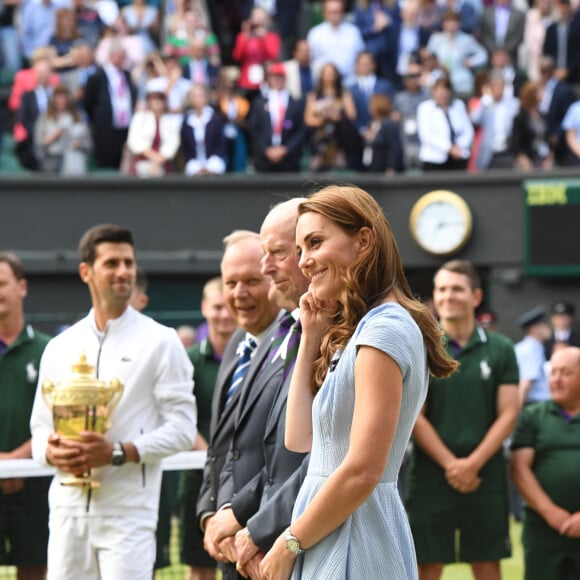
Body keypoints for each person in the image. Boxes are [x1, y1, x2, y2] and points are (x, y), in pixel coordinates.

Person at [259, 185, 458, 579]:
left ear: (364, 241)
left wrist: (288, 543)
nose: (304, 262)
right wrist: (311, 336)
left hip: (357, 534)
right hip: (329, 528)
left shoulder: (384, 329)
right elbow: (300, 440)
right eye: (299, 250)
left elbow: (363, 470)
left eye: (315, 243)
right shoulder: (359, 331)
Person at [29, 223, 197, 580]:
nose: (124, 272)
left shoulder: (161, 341)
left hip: (129, 514)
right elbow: (40, 430)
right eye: (112, 263)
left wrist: (119, 451)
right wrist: (51, 452)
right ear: (86, 272)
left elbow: (183, 430)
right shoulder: (59, 347)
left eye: (129, 263)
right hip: (66, 511)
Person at [214, 198, 312, 579]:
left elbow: (321, 460)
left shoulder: (331, 335)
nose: (266, 267)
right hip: (249, 541)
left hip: (289, 538)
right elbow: (228, 446)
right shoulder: (280, 335)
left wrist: (253, 525)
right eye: (231, 283)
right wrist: (220, 513)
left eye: (275, 254)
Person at [407, 259, 520, 580]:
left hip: (485, 475)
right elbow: (415, 415)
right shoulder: (422, 347)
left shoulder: (501, 349)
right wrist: (450, 465)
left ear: (476, 296)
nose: (448, 296)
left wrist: (472, 464)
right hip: (430, 475)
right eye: (441, 289)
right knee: (426, 566)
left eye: (457, 288)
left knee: (486, 564)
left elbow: (509, 412)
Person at [196, 230, 281, 580]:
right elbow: (221, 447)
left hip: (271, 548)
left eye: (251, 281)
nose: (239, 294)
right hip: (228, 547)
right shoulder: (236, 344)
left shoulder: (300, 347)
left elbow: (292, 459)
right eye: (230, 282)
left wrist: (244, 520)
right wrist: (209, 515)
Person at [178, 276, 237, 580]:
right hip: (197, 481)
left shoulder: (252, 357)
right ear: (204, 308)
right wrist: (213, 460)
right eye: (217, 307)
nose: (224, 314)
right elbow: (181, 420)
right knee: (200, 567)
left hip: (242, 483)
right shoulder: (187, 361)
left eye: (228, 307)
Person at [0, 252, 52, 580]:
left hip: (33, 485)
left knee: (34, 570)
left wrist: (16, 462)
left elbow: (60, 420)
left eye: (2, 283)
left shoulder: (50, 350)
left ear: (21, 287)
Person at [511, 346, 580, 580]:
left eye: (566, 373)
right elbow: (520, 469)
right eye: (553, 373)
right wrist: (552, 513)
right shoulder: (532, 416)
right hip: (543, 532)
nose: (556, 380)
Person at [84, 40, 137, 169]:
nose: (122, 59)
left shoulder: (127, 74)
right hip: (106, 129)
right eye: (119, 56)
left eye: (123, 56)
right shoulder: (97, 77)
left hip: (125, 128)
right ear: (111, 55)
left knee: (123, 164)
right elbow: (88, 102)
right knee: (105, 164)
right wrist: (100, 117)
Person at [249, 61, 306, 173]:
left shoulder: (295, 103)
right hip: (264, 160)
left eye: (280, 76)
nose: (277, 80)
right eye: (274, 76)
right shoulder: (259, 102)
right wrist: (266, 149)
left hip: (289, 160)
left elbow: (300, 130)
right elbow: (254, 129)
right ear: (269, 78)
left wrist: (286, 149)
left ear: (285, 78)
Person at [304, 62, 361, 172]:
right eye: (326, 74)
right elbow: (308, 119)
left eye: (331, 74)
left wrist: (336, 116)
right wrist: (324, 118)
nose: (329, 77)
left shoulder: (343, 93)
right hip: (319, 136)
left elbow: (352, 115)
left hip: (339, 136)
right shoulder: (314, 94)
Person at [426, 10, 488, 98]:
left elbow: (483, 55)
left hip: (462, 82)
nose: (451, 25)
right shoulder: (436, 39)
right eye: (448, 22)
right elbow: (428, 58)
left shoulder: (466, 39)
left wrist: (472, 62)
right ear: (444, 24)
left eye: (454, 22)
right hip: (442, 83)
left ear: (459, 24)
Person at [417, 76, 474, 170]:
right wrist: (449, 148)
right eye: (438, 91)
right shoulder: (425, 108)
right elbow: (427, 135)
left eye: (445, 90)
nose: (442, 94)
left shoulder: (458, 105)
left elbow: (468, 131)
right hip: (434, 160)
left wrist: (459, 147)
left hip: (458, 157)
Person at [33, 84, 92, 175]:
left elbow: (88, 143)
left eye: (64, 98)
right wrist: (55, 136)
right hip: (51, 161)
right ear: (53, 99)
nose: (61, 101)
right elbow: (39, 143)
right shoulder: (44, 118)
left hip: (75, 160)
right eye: (58, 98)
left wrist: (78, 144)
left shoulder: (79, 117)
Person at [126, 85, 181, 177]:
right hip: (142, 160)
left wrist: (158, 160)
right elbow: (134, 141)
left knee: (158, 172)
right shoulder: (140, 118)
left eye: (160, 100)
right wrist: (153, 157)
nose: (157, 103)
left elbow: (173, 143)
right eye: (154, 99)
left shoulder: (169, 121)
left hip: (163, 162)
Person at [470, 70, 519, 170]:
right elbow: (474, 119)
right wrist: (484, 100)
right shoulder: (486, 104)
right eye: (495, 85)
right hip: (489, 153)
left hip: (507, 152)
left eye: (500, 86)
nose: (497, 89)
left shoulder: (513, 104)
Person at [307, 0, 365, 84]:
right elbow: (311, 60)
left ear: (343, 12)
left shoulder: (353, 31)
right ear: (324, 13)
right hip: (325, 85)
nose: (334, 15)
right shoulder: (315, 33)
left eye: (337, 11)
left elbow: (361, 56)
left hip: (351, 82)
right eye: (331, 12)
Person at [180, 83, 227, 176]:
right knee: (191, 168)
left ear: (206, 97)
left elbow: (221, 144)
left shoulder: (215, 118)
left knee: (216, 166)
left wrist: (208, 165)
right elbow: (186, 148)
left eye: (200, 95)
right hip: (195, 162)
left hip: (214, 160)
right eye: (194, 96)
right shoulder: (186, 121)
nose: (198, 99)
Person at [510, 81, 553, 170]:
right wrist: (523, 160)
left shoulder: (543, 116)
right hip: (527, 162)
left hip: (543, 160)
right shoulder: (520, 118)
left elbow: (548, 139)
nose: (542, 94)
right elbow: (516, 143)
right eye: (539, 92)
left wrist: (549, 158)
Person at [515, 305, 552, 407]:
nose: (549, 327)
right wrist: (516, 413)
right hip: (534, 405)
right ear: (534, 328)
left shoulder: (530, 347)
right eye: (544, 324)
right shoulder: (531, 349)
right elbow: (525, 383)